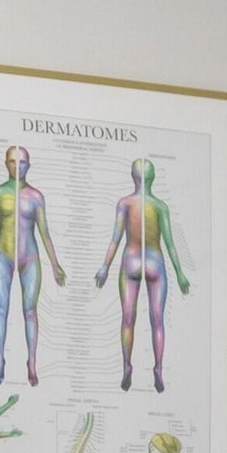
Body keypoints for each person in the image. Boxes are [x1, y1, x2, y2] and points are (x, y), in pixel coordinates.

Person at [92, 155, 192, 390]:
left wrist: (105, 266)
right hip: (155, 262)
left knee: (128, 319)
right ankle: (157, 368)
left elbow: (115, 238)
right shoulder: (160, 206)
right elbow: (169, 244)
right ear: (153, 178)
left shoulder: (125, 203)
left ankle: (127, 366)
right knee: (157, 321)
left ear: (133, 177)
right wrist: (179, 274)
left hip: (131, 261)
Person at [0, 143, 58, 384]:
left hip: (30, 257)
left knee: (30, 311)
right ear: (6, 164)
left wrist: (56, 265)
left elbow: (45, 233)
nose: (18, 166)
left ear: (29, 165)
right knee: (1, 309)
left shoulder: (36, 196)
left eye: (23, 162)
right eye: (13, 162)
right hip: (2, 256)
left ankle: (32, 362)